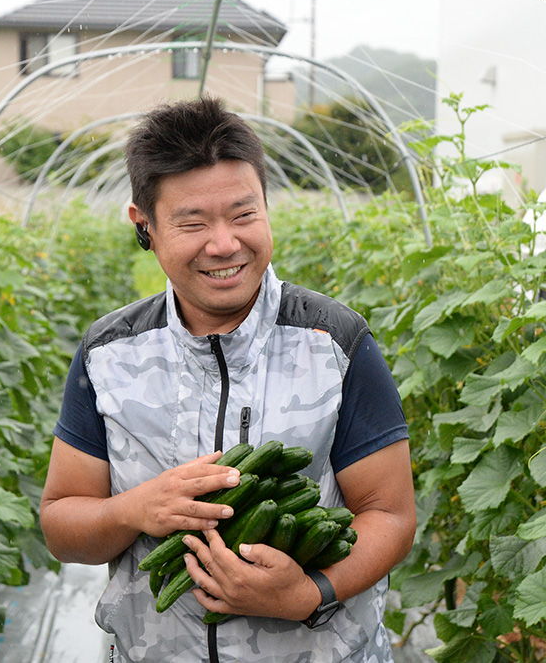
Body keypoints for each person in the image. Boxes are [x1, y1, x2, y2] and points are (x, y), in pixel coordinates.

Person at [40, 96, 415, 662]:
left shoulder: (335, 343)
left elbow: (391, 515)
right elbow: (61, 523)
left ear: (267, 207)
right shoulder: (108, 354)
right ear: (145, 226)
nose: (224, 244)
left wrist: (307, 592)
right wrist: (134, 509)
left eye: (244, 215)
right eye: (192, 222)